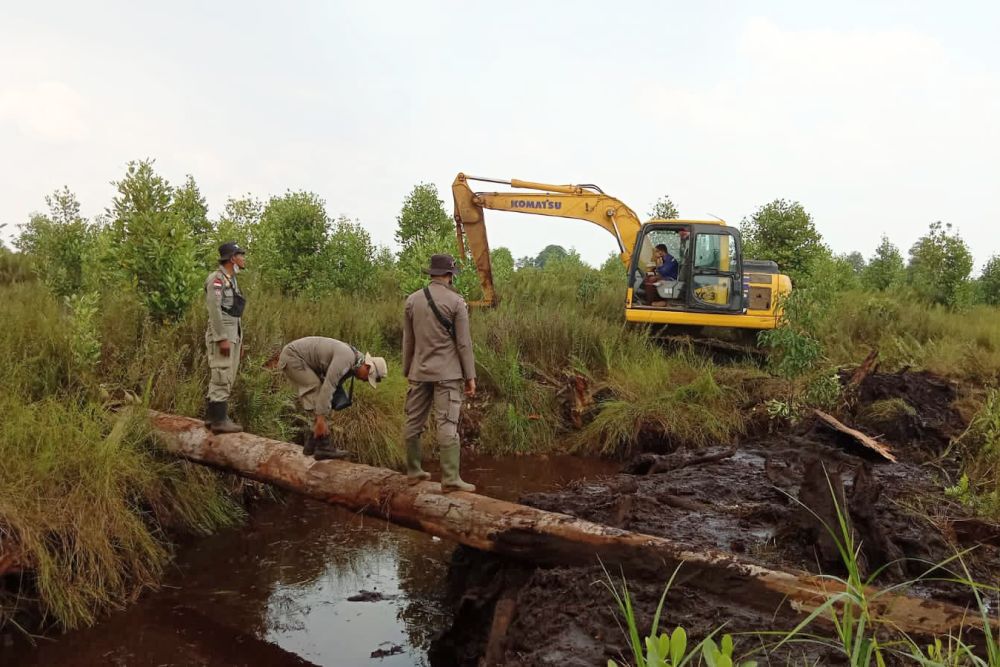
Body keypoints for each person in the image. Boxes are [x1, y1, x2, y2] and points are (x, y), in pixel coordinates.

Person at [402, 254, 477, 492]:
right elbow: (464, 344)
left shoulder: (412, 300)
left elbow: (408, 342)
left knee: (413, 421)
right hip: (448, 374)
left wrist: (407, 370)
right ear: (449, 276)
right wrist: (470, 376)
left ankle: (413, 472)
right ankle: (450, 479)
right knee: (447, 423)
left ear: (432, 274)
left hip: (419, 372)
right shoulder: (457, 303)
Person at [278, 337, 388, 460]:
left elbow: (332, 388)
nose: (364, 381)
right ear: (367, 367)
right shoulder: (347, 359)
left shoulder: (355, 362)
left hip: (300, 360)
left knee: (325, 400)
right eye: (367, 378)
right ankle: (323, 445)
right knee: (316, 388)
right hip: (293, 357)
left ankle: (313, 442)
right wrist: (320, 418)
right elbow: (328, 386)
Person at [204, 241, 246, 434]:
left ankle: (213, 417)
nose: (243, 258)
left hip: (233, 331)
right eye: (240, 255)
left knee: (228, 373)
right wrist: (221, 338)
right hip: (223, 332)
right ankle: (219, 421)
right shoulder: (217, 279)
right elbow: (214, 310)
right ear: (232, 258)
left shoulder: (232, 279)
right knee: (221, 372)